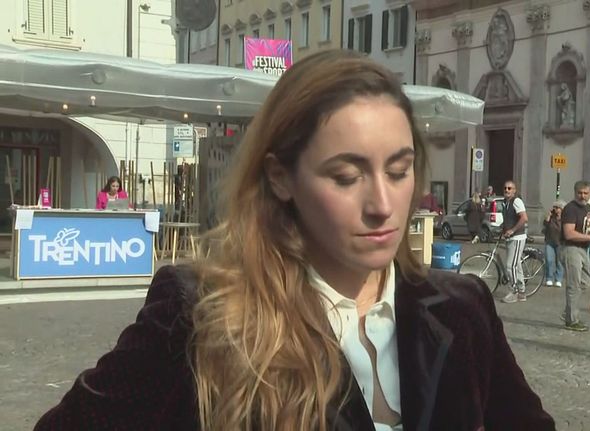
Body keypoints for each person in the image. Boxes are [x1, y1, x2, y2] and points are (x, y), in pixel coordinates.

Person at [34, 50, 555, 431]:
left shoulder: (463, 308)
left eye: (399, 171)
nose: (382, 203)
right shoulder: (200, 315)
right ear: (281, 177)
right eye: (346, 176)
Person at [561, 181, 590, 331]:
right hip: (571, 248)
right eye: (580, 193)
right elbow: (569, 233)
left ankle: (568, 311)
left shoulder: (588, 208)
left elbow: (587, 227)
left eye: (586, 193)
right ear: (575, 192)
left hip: (583, 249)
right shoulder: (570, 209)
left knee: (585, 281)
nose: (582, 196)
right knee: (573, 285)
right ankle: (572, 321)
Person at [500, 180, 529, 303]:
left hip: (517, 238)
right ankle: (522, 292)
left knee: (510, 266)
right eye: (505, 188)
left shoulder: (516, 201)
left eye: (509, 188)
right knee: (516, 265)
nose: (507, 190)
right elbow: (508, 219)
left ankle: (514, 291)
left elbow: (524, 218)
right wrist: (502, 229)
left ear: (514, 190)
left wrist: (512, 230)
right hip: (509, 238)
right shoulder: (505, 203)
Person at [542, 200, 565, 287]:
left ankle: (558, 279)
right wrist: (548, 216)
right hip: (549, 241)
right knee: (549, 260)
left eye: (558, 208)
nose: (557, 210)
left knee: (559, 262)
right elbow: (545, 224)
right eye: (555, 207)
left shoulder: (565, 218)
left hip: (560, 242)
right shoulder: (551, 217)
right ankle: (549, 278)